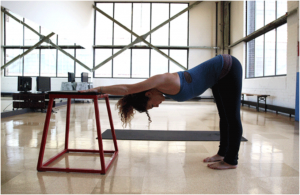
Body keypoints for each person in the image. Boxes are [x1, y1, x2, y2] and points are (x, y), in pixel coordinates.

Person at [80, 54, 243, 170]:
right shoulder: (159, 89)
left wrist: (98, 89)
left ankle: (231, 160)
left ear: (148, 94)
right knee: (224, 116)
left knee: (232, 116)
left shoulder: (162, 80)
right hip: (217, 77)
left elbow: (127, 89)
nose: (156, 106)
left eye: (151, 105)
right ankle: (222, 153)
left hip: (228, 67)